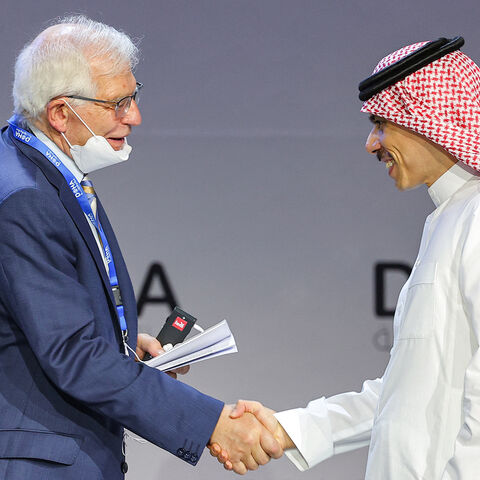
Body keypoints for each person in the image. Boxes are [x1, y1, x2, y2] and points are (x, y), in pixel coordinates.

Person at [0, 15, 283, 479]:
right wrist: (211, 423)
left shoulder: (38, 170)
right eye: (118, 103)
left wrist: (119, 350)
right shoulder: (24, 198)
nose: (134, 116)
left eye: (133, 97)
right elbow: (72, 354)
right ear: (60, 114)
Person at [211, 36, 480, 478]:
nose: (371, 144)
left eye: (381, 123)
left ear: (427, 119)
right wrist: (286, 430)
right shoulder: (446, 221)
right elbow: (403, 394)